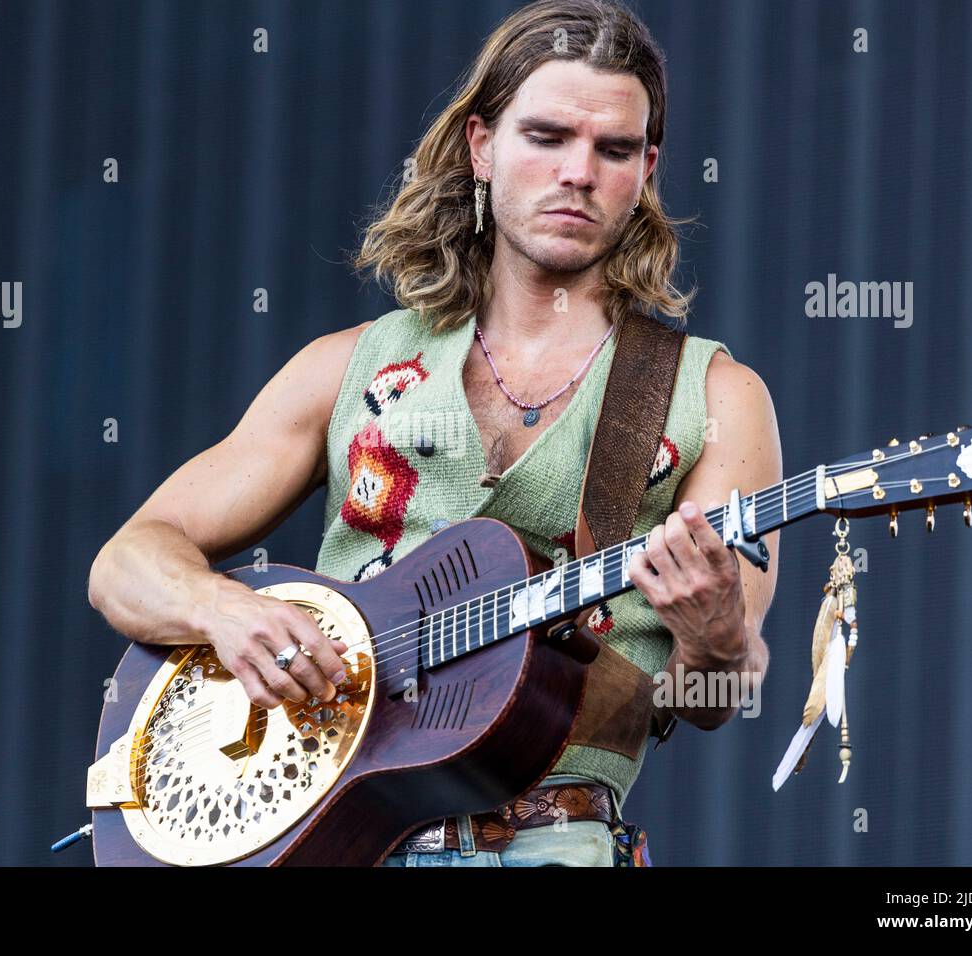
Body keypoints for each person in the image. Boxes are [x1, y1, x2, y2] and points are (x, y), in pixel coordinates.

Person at [87, 0, 781, 867]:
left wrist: (716, 636)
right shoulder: (347, 368)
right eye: (547, 136)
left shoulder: (711, 394)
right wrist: (226, 610)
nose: (578, 172)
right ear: (481, 147)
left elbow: (717, 696)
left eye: (612, 151)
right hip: (329, 837)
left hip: (551, 839)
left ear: (645, 170)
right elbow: (125, 562)